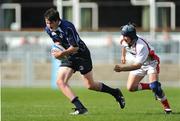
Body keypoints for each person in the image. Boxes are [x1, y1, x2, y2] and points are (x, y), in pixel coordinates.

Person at [44, 8, 125, 115]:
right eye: (46, 22)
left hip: (81, 55)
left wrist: (61, 54)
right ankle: (81, 108)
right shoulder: (49, 29)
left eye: (49, 23)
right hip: (69, 57)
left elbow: (75, 47)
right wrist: (57, 50)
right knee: (60, 81)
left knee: (90, 85)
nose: (48, 26)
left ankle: (115, 92)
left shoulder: (67, 27)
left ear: (56, 21)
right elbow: (57, 42)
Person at [114, 23, 172, 114]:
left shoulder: (141, 46)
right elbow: (124, 46)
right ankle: (152, 86)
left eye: (126, 36)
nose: (123, 37)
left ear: (132, 36)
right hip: (139, 63)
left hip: (150, 63)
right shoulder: (124, 39)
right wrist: (123, 56)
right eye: (123, 35)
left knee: (156, 88)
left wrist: (122, 69)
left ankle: (167, 107)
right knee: (131, 88)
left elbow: (137, 66)